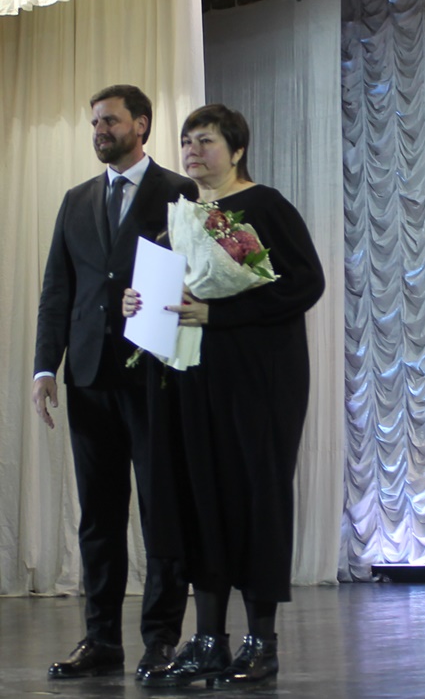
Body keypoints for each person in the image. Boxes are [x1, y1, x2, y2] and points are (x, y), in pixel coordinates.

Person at [127, 104, 325, 689]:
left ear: (237, 150)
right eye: (187, 141)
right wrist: (136, 304)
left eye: (206, 140)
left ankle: (262, 644)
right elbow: (170, 292)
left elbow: (305, 284)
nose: (192, 150)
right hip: (191, 377)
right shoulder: (181, 215)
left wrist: (221, 313)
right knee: (200, 500)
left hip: (259, 382)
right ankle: (209, 640)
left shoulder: (264, 206)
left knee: (256, 500)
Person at [32, 85, 197, 680]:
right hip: (88, 378)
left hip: (154, 377)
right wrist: (45, 367)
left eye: (110, 121)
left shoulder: (179, 192)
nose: (99, 130)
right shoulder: (76, 200)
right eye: (95, 122)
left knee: (161, 512)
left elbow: (196, 278)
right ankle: (101, 639)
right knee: (98, 517)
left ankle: (160, 640)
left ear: (141, 125)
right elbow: (58, 288)